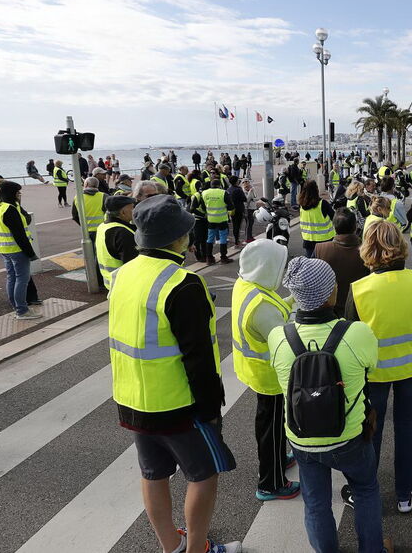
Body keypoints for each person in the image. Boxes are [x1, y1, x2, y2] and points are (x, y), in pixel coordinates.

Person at [108, 195, 239, 553]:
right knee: (204, 474)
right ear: (178, 238)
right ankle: (199, 549)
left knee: (154, 474)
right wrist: (211, 406)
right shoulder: (181, 283)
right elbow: (196, 357)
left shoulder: (122, 275)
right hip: (178, 403)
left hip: (133, 397)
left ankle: (171, 545)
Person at [269, 257, 392, 553]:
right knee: (365, 490)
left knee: (315, 502)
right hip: (350, 436)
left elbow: (281, 386)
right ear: (328, 294)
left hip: (303, 439)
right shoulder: (357, 333)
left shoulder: (278, 337)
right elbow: (371, 370)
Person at [346, 221, 412, 515]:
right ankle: (404, 493)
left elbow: (349, 333)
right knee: (406, 426)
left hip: (373, 372)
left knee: (371, 429)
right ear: (401, 247)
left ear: (368, 248)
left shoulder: (360, 289)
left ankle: (366, 488)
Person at [231, 240, 300, 501]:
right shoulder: (260, 305)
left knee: (270, 425)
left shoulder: (247, 284)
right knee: (271, 428)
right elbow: (285, 338)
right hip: (269, 376)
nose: (281, 273)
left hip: (254, 370)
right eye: (278, 266)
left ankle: (280, 457)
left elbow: (274, 307)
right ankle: (271, 483)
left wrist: (292, 299)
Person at [0, 181, 42, 320]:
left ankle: (16, 306)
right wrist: (30, 253)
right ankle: (22, 310)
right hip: (17, 250)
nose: (19, 195)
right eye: (18, 192)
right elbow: (20, 235)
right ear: (12, 193)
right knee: (22, 279)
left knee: (11, 277)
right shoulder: (10, 209)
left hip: (4, 248)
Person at [315, 208, 370, 317]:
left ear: (334, 227)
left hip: (329, 310)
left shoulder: (320, 249)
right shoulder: (367, 252)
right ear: (355, 227)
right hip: (360, 308)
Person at [95, 195, 137, 290]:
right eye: (132, 208)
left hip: (111, 283)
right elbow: (132, 264)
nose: (134, 210)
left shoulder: (103, 226)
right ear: (122, 212)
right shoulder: (122, 233)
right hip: (125, 285)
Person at [299, 179, 335, 258]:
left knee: (310, 266)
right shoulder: (323, 204)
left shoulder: (301, 205)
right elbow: (335, 218)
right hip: (325, 241)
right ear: (316, 190)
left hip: (308, 240)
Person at [202, 178, 234, 264]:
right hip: (222, 219)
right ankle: (223, 257)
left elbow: (203, 206)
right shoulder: (223, 193)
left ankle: (209, 258)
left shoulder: (205, 193)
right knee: (223, 238)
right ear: (219, 185)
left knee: (210, 238)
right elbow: (231, 206)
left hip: (211, 219)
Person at [226, 176, 247, 247]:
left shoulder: (228, 189)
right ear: (236, 181)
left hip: (231, 209)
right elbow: (244, 199)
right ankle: (237, 241)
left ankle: (236, 240)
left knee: (235, 225)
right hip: (239, 209)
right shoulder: (238, 189)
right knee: (237, 226)